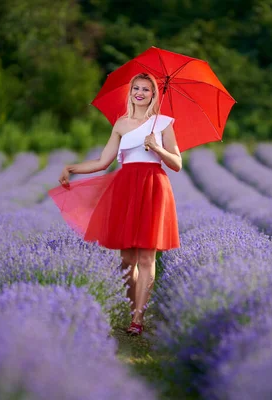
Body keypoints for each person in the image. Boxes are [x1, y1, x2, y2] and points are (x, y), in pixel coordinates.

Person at [52, 72, 181, 336]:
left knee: (146, 256)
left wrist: (158, 149)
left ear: (154, 94)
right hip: (125, 188)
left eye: (146, 89)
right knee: (126, 259)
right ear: (131, 92)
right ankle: (135, 307)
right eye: (136, 88)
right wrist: (71, 167)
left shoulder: (164, 123)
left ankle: (137, 319)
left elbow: (177, 164)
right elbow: (102, 161)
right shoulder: (121, 124)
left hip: (153, 186)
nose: (140, 93)